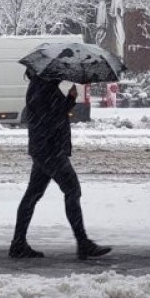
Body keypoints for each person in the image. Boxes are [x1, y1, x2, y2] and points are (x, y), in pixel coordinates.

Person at [10, 68, 111, 260]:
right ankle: (83, 244)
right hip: (50, 151)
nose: (61, 74)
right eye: (57, 72)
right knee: (72, 190)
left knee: (32, 195)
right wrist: (71, 98)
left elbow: (52, 114)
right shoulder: (43, 89)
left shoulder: (41, 86)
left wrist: (67, 99)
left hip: (44, 150)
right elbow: (53, 117)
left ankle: (18, 244)